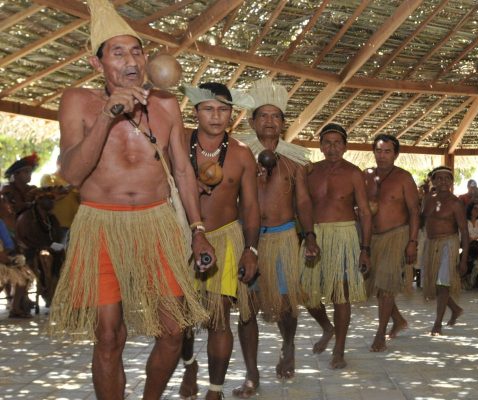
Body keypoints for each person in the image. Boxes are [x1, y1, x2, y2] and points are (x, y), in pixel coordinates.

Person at [47, 1, 212, 398]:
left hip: (157, 224)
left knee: (173, 331)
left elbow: (183, 172)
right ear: (96, 62)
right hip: (100, 225)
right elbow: (71, 173)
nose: (130, 60)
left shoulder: (167, 104)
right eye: (117, 52)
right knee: (107, 337)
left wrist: (198, 230)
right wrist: (107, 114)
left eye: (136, 50)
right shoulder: (77, 101)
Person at [230, 78, 318, 393]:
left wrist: (309, 236)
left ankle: (289, 344)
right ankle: (252, 374)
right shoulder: (238, 155)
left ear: (282, 123)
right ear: (252, 121)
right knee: (247, 307)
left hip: (282, 236)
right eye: (263, 116)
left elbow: (304, 202)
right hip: (248, 240)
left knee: (284, 305)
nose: (269, 121)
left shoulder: (295, 161)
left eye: (275, 116)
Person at [176, 82, 259, 400]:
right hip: (181, 236)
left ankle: (215, 389)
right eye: (208, 109)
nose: (216, 116)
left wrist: (251, 249)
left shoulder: (240, 154)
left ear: (231, 114)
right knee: (180, 316)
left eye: (223, 109)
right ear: (195, 111)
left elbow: (251, 207)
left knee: (219, 316)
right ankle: (189, 363)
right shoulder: (178, 144)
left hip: (225, 238)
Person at [301, 123, 371, 369]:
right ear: (320, 146)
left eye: (337, 143)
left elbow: (364, 211)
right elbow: (303, 205)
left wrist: (365, 248)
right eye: (327, 143)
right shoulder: (309, 171)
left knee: (341, 295)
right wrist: (308, 235)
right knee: (306, 292)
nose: (332, 148)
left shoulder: (354, 173)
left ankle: (339, 350)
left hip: (344, 235)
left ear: (345, 146)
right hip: (315, 235)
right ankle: (326, 327)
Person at [364, 134, 419, 352]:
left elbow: (415, 211)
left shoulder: (404, 178)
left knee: (386, 287)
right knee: (379, 286)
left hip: (396, 235)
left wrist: (412, 241)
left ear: (395, 154)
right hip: (372, 237)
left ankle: (380, 335)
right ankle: (398, 320)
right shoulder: (366, 175)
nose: (382, 156)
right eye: (379, 151)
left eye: (387, 151)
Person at [422, 166, 468, 335]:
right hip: (431, 244)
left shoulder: (456, 203)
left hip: (448, 244)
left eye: (447, 178)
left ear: (451, 182)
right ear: (433, 181)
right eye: (439, 178)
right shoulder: (428, 199)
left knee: (442, 284)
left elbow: (464, 231)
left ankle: (437, 324)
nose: (443, 182)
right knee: (434, 284)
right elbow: (421, 221)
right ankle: (455, 309)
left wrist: (464, 259)